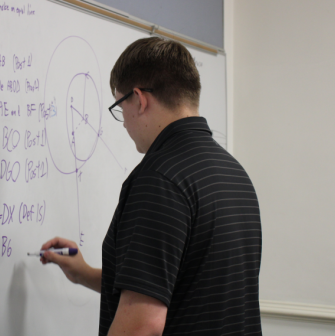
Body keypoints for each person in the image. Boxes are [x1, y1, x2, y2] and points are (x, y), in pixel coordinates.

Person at [40, 37, 262, 336]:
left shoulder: (159, 180)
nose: (123, 123)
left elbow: (142, 326)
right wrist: (85, 274)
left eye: (120, 106)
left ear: (140, 99)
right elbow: (178, 282)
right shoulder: (233, 174)